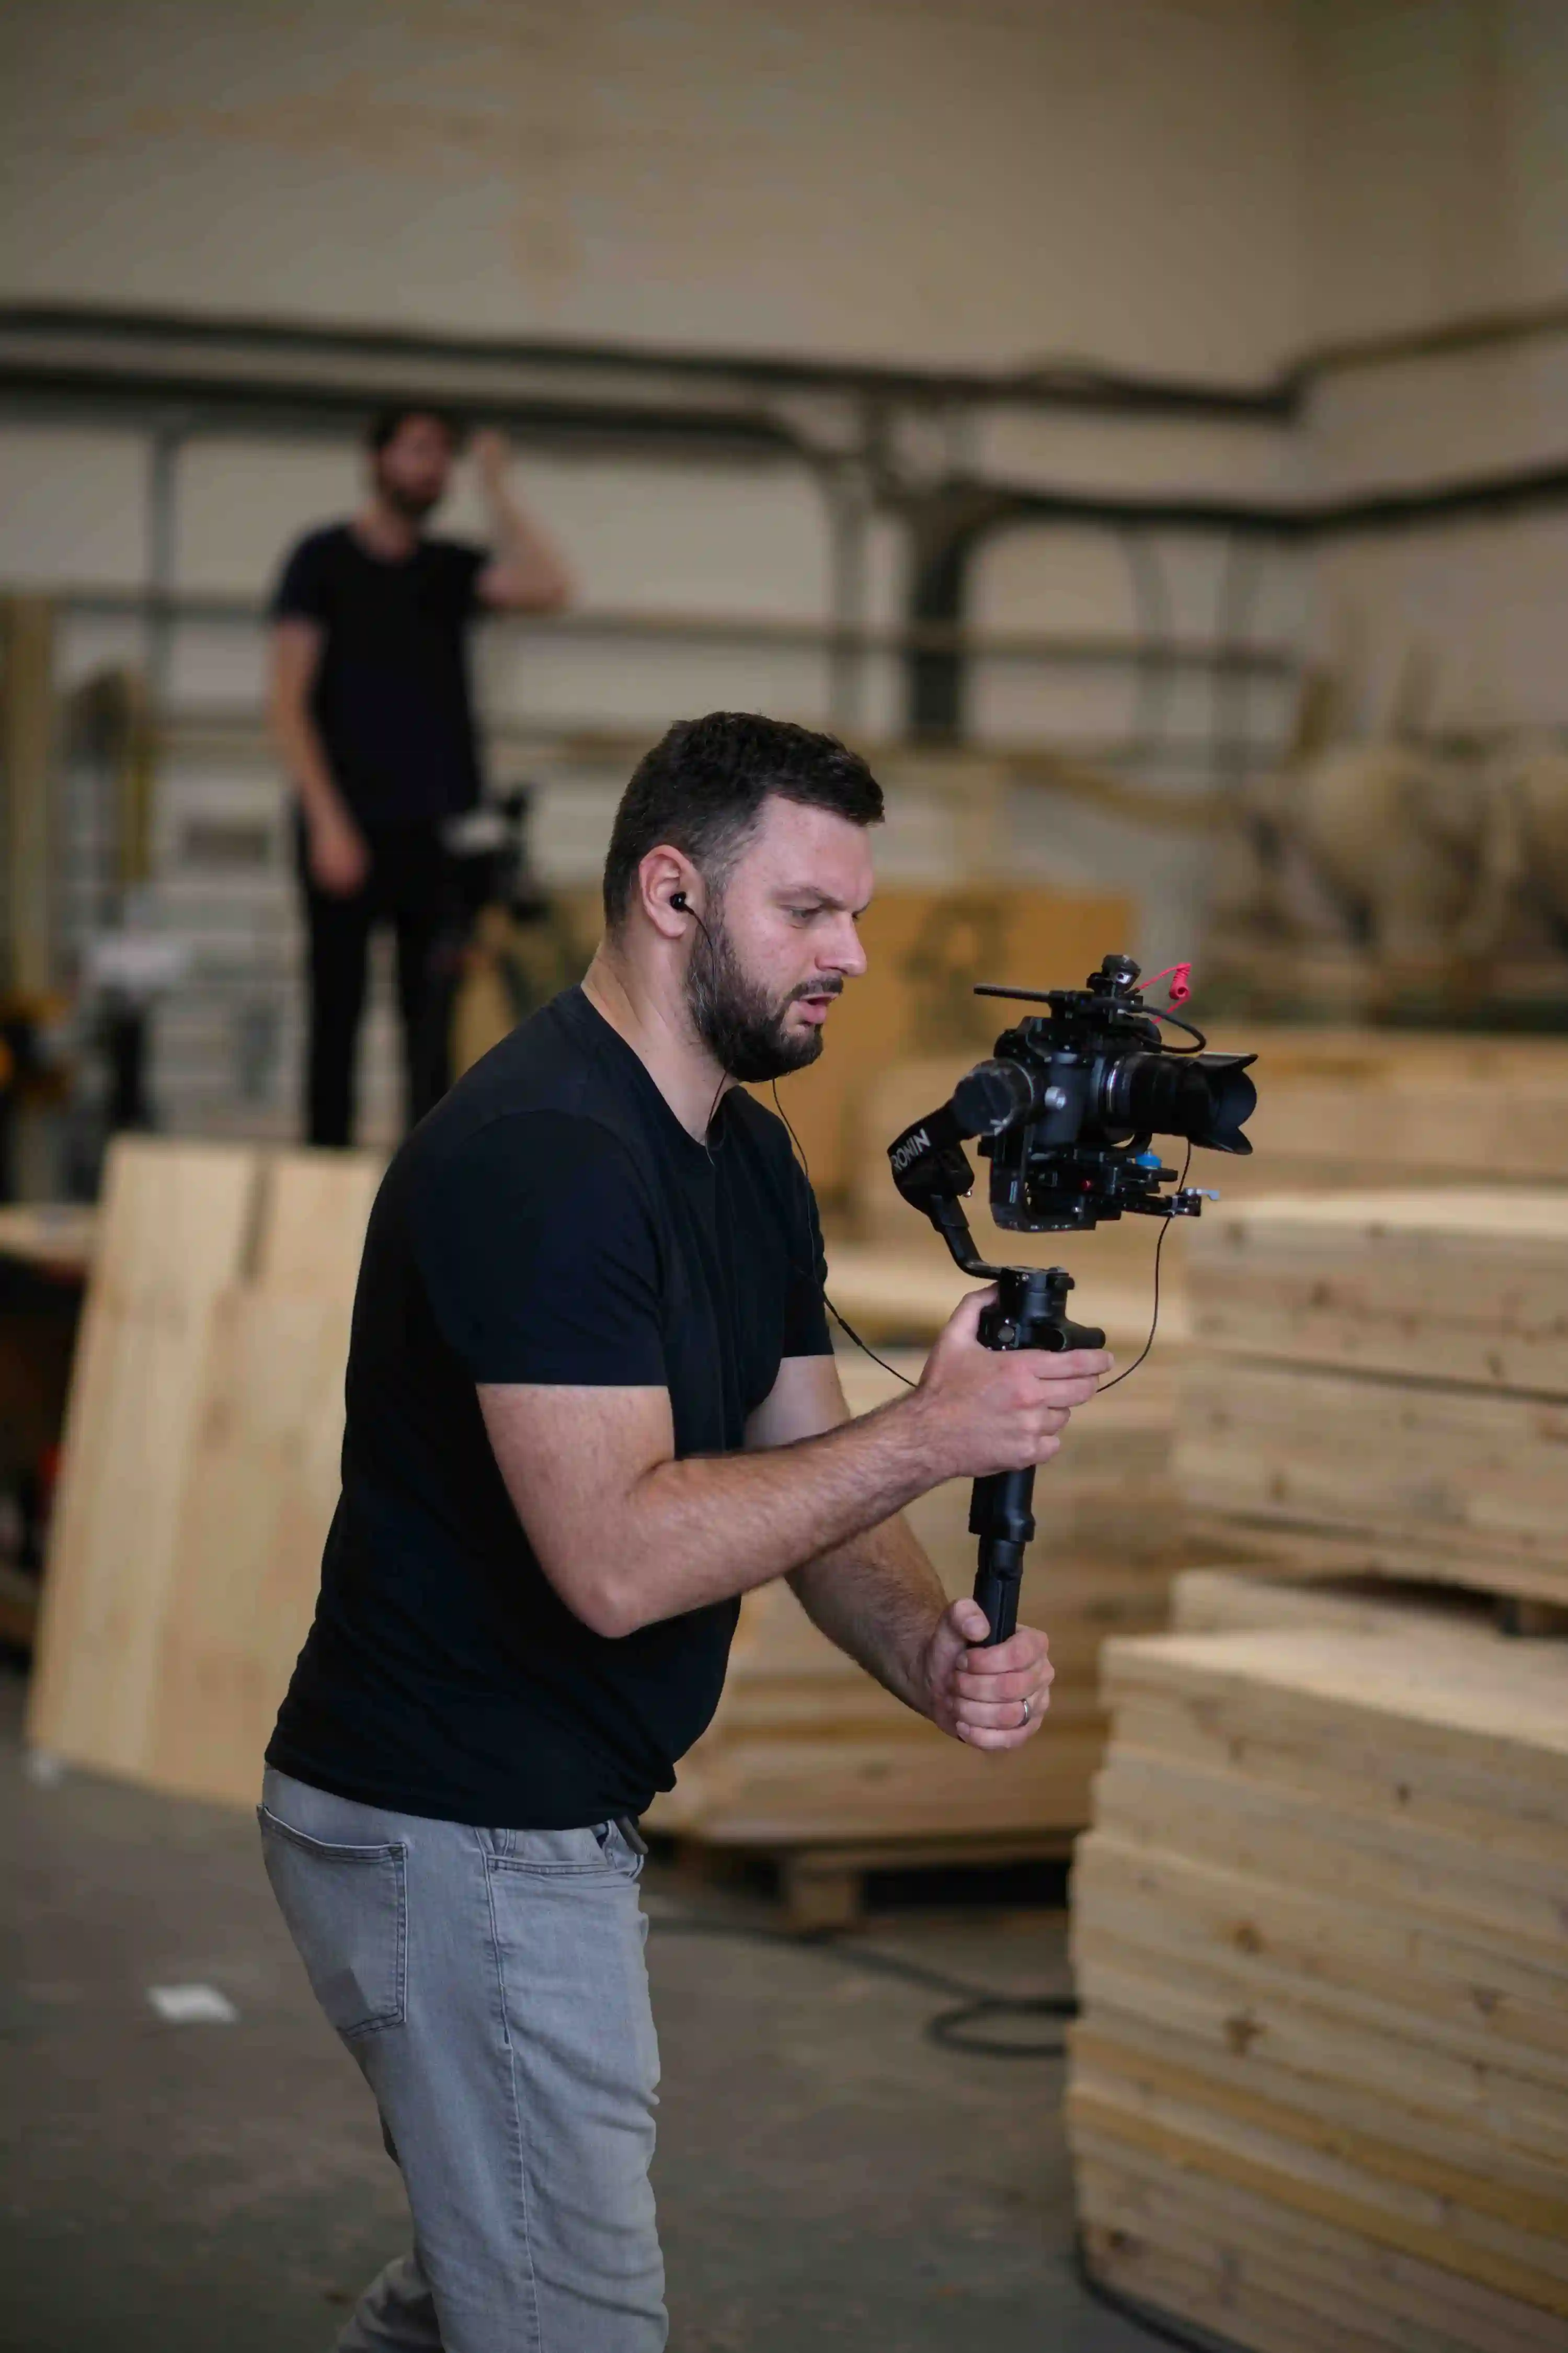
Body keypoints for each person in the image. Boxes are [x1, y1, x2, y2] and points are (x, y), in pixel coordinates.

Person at [259, 711, 1113, 2352]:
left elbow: (808, 1467)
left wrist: (921, 1651)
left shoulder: (740, 1153)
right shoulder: (549, 1159)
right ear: (670, 892)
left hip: (529, 1808)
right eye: (807, 911)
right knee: (570, 2317)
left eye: (854, 911)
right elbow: (621, 1560)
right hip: (451, 1827)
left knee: (479, 2281)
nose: (854, 954)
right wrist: (938, 1429)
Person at [268, 407, 571, 1147]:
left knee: (430, 1019)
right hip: (346, 821)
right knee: (334, 1012)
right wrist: (328, 820)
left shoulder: (448, 570)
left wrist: (498, 489)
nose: (431, 466)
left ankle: (426, 1183)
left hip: (435, 826)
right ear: (377, 459)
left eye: (442, 454)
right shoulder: (321, 561)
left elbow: (551, 585)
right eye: (416, 450)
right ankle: (326, 1172)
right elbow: (286, 700)